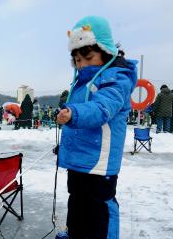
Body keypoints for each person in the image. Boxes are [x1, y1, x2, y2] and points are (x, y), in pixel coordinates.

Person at [56, 16, 137, 238]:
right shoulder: (81, 82)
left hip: (99, 165)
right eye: (77, 60)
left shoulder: (116, 79)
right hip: (79, 162)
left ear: (106, 50)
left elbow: (102, 109)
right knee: (77, 206)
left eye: (88, 57)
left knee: (99, 212)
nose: (82, 65)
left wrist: (74, 113)